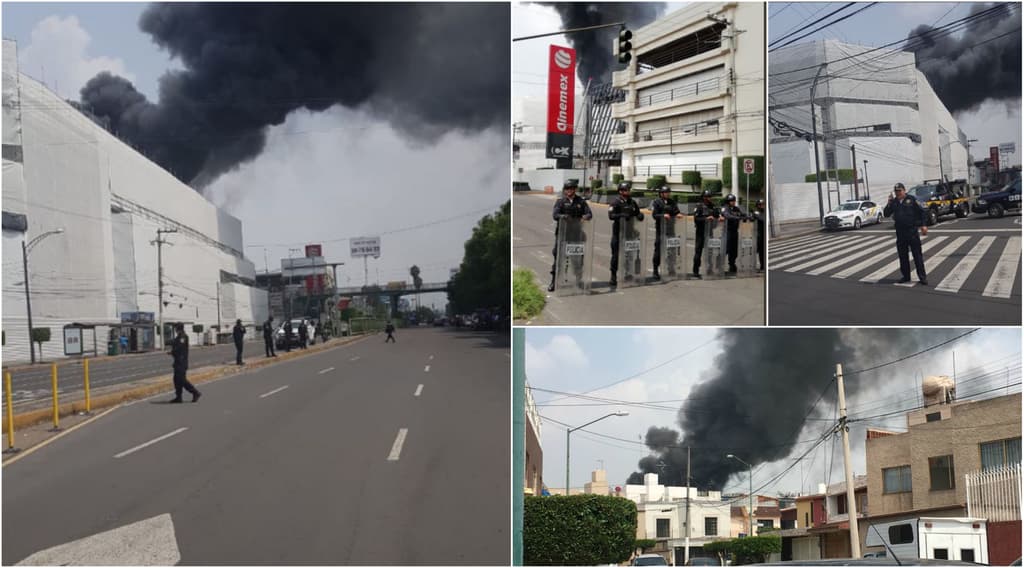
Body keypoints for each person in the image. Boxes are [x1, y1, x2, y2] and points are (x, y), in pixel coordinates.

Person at [548, 179, 593, 292]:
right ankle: (554, 281)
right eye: (567, 188)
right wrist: (563, 217)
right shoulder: (560, 202)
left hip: (577, 235)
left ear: (575, 189)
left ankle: (578, 280)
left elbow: (589, 213)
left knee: (577, 259)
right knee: (558, 258)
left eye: (571, 188)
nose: (569, 190)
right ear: (565, 190)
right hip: (563, 235)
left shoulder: (581, 202)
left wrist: (585, 217)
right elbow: (555, 215)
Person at [883, 182, 929, 285]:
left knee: (917, 256)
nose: (898, 193)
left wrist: (923, 225)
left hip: (912, 232)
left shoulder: (912, 199)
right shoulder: (894, 202)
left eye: (899, 191)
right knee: (903, 257)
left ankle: (922, 277)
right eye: (896, 191)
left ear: (904, 190)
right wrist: (889, 203)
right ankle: (906, 276)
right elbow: (886, 214)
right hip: (900, 233)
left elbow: (922, 212)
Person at [608, 180, 644, 290]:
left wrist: (640, 215)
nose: (628, 191)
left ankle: (628, 273)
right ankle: (613, 276)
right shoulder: (615, 202)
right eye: (625, 190)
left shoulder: (632, 202)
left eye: (628, 189)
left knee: (629, 254)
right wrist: (621, 215)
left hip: (630, 233)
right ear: (620, 191)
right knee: (616, 255)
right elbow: (611, 215)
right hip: (618, 233)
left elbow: (637, 213)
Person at [650, 184, 682, 280]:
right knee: (658, 250)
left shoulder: (672, 202)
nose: (667, 194)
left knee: (672, 250)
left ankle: (671, 268)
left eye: (668, 192)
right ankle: (655, 270)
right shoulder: (656, 202)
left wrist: (679, 215)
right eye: (665, 192)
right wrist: (663, 216)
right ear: (661, 193)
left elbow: (676, 211)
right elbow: (654, 215)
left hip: (671, 229)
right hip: (661, 229)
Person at [692, 189, 721, 279]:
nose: (709, 198)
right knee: (698, 251)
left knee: (710, 252)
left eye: (710, 197)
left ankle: (709, 269)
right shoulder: (699, 206)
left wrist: (719, 216)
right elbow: (696, 219)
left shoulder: (713, 206)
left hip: (710, 231)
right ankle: (696, 270)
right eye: (707, 197)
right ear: (703, 197)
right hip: (701, 232)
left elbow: (717, 215)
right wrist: (706, 218)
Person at [169, 323, 200, 403]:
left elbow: (180, 347)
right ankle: (178, 397)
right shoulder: (179, 337)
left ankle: (195, 392)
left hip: (181, 362)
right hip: (178, 361)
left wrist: (172, 351)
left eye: (176, 328)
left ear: (178, 328)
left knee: (181, 380)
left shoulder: (183, 336)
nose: (175, 330)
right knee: (176, 379)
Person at [721, 194, 743, 274]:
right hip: (727, 231)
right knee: (725, 249)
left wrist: (748, 216)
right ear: (728, 201)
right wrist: (737, 217)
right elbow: (727, 215)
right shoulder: (725, 208)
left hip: (734, 231)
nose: (733, 202)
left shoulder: (736, 209)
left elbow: (741, 214)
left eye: (734, 200)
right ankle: (719, 265)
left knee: (734, 250)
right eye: (731, 201)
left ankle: (732, 265)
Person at [752, 199, 766, 272]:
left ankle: (763, 266)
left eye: (763, 204)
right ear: (757, 205)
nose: (762, 206)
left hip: (763, 234)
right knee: (758, 251)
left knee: (763, 252)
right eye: (761, 204)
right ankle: (757, 267)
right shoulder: (756, 212)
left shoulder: (764, 212)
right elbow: (762, 219)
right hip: (758, 235)